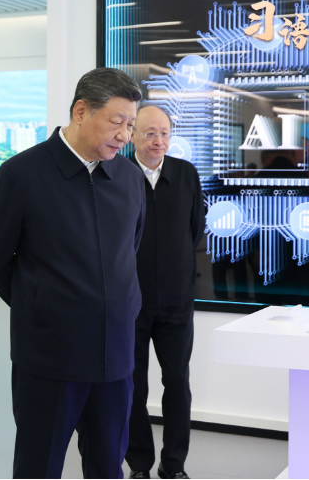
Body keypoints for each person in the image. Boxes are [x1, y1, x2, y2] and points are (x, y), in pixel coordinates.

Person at [0, 67, 146, 479]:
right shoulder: (21, 174)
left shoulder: (129, 178)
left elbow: (130, 251)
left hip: (115, 356)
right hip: (49, 355)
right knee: (39, 467)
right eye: (116, 122)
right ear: (80, 111)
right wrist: (42, 303)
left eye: (130, 125)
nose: (125, 135)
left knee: (108, 466)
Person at [125, 105, 204, 480]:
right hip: (130, 304)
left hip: (176, 302)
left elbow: (195, 230)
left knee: (177, 384)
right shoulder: (117, 173)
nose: (159, 141)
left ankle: (173, 466)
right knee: (132, 386)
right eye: (150, 133)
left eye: (165, 134)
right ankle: (139, 464)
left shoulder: (186, 174)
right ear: (132, 135)